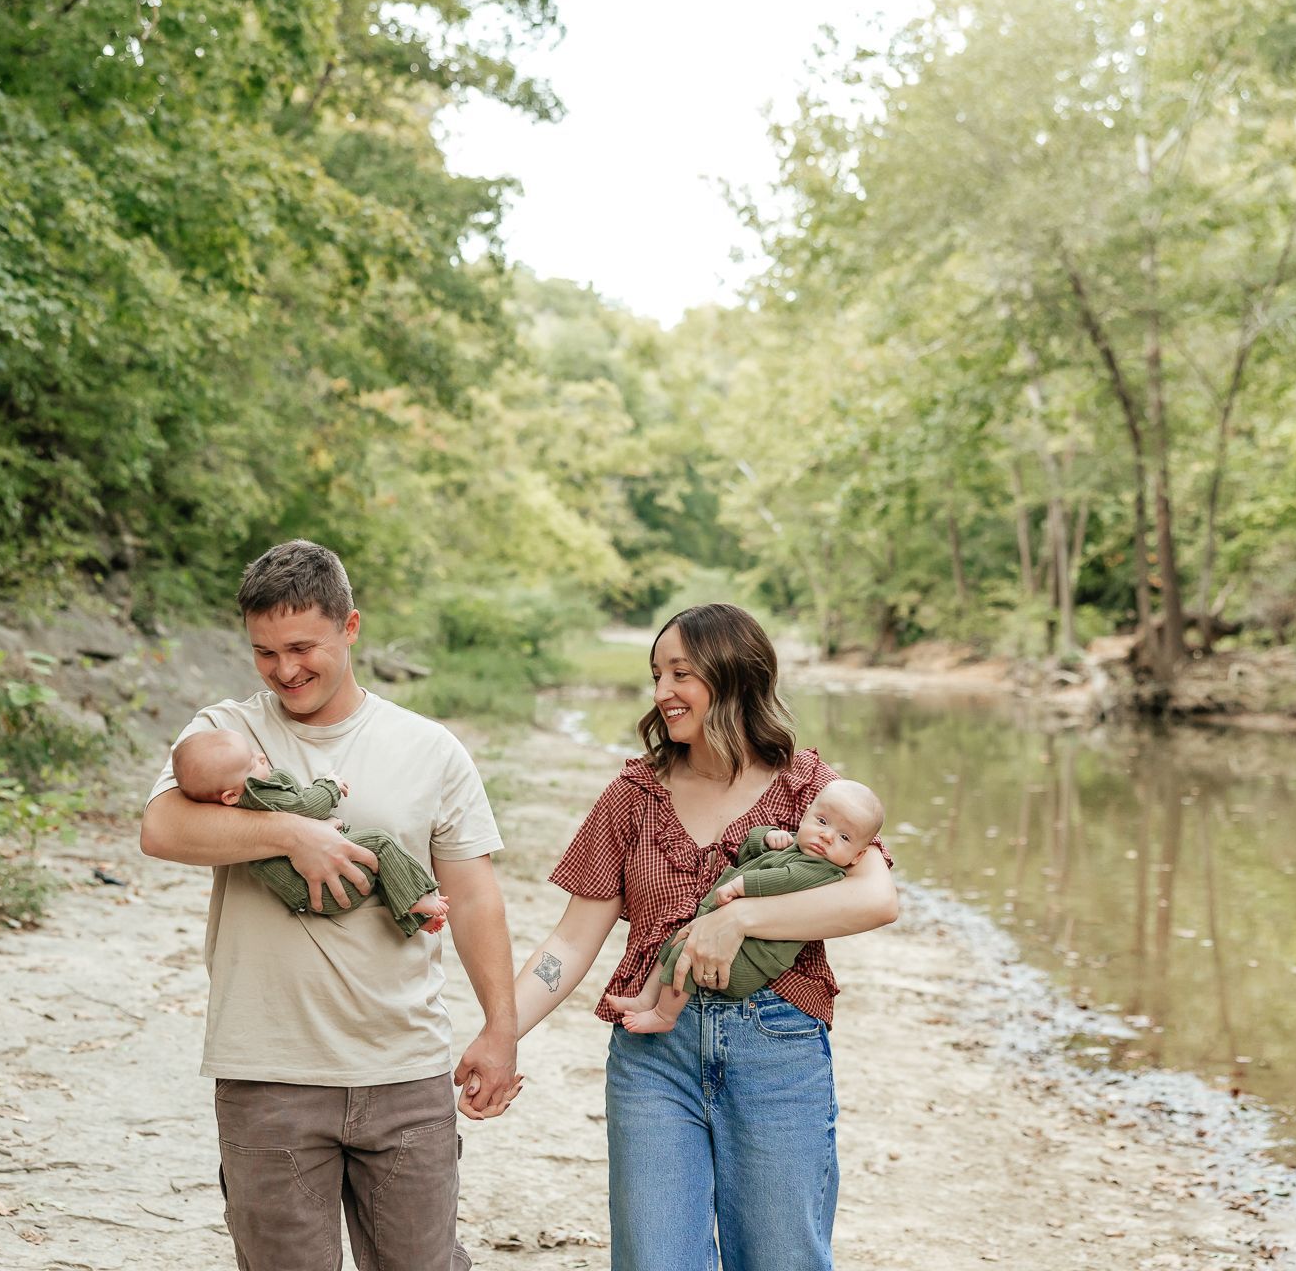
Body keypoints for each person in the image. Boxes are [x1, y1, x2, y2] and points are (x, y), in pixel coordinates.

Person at [138, 539, 518, 1270]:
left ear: (350, 628)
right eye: (264, 652)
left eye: (302, 646)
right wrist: (291, 832)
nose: (285, 671)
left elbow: (473, 897)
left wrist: (500, 1029)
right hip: (268, 1072)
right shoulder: (227, 733)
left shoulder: (428, 748)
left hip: (404, 1069)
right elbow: (162, 828)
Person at [510, 603, 899, 1271]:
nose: (662, 692)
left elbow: (875, 897)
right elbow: (570, 942)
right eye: (656, 673)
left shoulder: (810, 792)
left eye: (680, 673)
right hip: (653, 1061)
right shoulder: (633, 796)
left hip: (778, 1056)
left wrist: (739, 918)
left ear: (735, 678)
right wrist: (498, 1032)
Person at [604, 779, 886, 1034]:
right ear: (806, 814)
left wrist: (739, 887)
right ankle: (645, 999)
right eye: (822, 821)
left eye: (844, 837)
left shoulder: (823, 870)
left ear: (857, 856)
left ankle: (664, 1015)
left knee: (684, 958)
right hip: (725, 938)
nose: (827, 836)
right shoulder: (794, 847)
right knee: (675, 941)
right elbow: (746, 852)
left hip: (751, 958)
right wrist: (765, 837)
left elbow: (782, 880)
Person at [170, 727, 451, 934]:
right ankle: (418, 897)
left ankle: (417, 918)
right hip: (327, 887)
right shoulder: (260, 797)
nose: (261, 758)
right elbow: (306, 806)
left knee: (381, 877)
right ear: (230, 796)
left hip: (316, 891)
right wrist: (329, 785)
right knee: (381, 843)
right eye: (252, 763)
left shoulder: (232, 811)